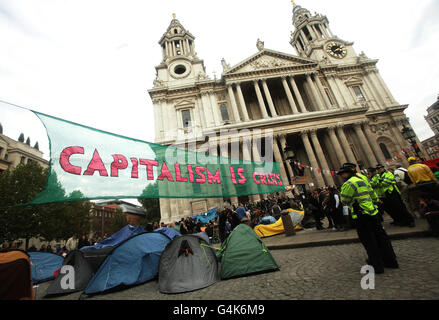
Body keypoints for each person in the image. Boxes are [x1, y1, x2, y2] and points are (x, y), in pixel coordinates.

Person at [338, 165, 399, 274]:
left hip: (361, 215)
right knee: (381, 237)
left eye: (342, 174)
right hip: (373, 212)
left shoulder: (348, 184)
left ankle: (377, 266)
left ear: (346, 174)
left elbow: (344, 200)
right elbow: (373, 194)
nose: (342, 176)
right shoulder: (363, 180)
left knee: (369, 241)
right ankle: (391, 261)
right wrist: (376, 201)